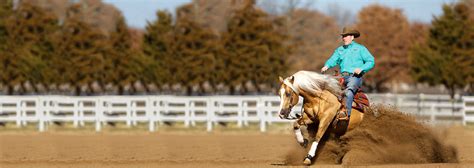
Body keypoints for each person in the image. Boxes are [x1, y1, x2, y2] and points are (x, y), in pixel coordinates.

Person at [321, 27, 375, 120]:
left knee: (348, 92)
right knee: (324, 89)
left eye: (346, 36)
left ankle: (346, 114)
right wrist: (327, 65)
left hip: (354, 77)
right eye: (343, 36)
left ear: (352, 37)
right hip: (341, 76)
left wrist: (361, 68)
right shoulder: (340, 50)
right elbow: (333, 59)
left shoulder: (360, 49)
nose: (344, 38)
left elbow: (371, 61)